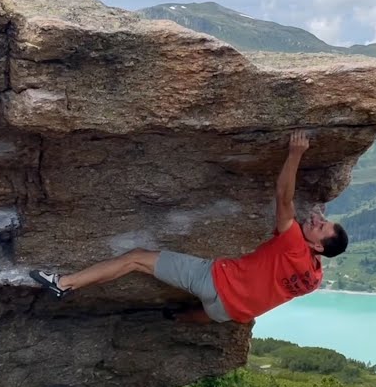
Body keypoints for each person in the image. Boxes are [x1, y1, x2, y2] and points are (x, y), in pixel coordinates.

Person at [29, 130, 349, 323]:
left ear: (317, 245)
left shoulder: (293, 242)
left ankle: (65, 283)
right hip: (229, 313)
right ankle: (177, 317)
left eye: (321, 226)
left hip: (213, 282)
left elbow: (283, 197)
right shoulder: (313, 278)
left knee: (136, 258)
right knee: (205, 316)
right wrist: (315, 219)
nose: (317, 220)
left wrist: (295, 154)